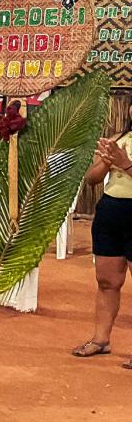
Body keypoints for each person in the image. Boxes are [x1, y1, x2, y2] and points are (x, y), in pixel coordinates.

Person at [74, 127, 132, 369]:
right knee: (107, 281)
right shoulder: (119, 137)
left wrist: (126, 165)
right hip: (111, 211)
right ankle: (101, 339)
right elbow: (91, 178)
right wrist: (107, 163)